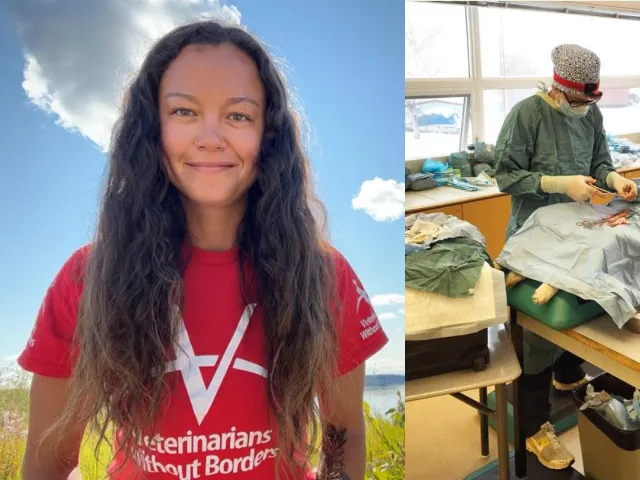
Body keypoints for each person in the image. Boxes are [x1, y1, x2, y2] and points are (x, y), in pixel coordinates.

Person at [17, 20, 388, 480]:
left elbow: (342, 438)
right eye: (184, 112)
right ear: (152, 129)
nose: (210, 137)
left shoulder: (324, 276)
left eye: (238, 115)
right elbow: (47, 461)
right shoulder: (87, 278)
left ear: (267, 136)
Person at [492, 43, 637, 470]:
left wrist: (613, 177)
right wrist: (558, 184)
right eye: (577, 100)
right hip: (534, 237)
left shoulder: (590, 112)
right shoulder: (526, 115)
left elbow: (599, 158)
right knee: (538, 334)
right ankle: (535, 428)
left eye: (590, 101)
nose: (583, 108)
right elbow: (505, 175)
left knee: (579, 303)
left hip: (578, 229)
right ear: (558, 88)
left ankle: (568, 374)